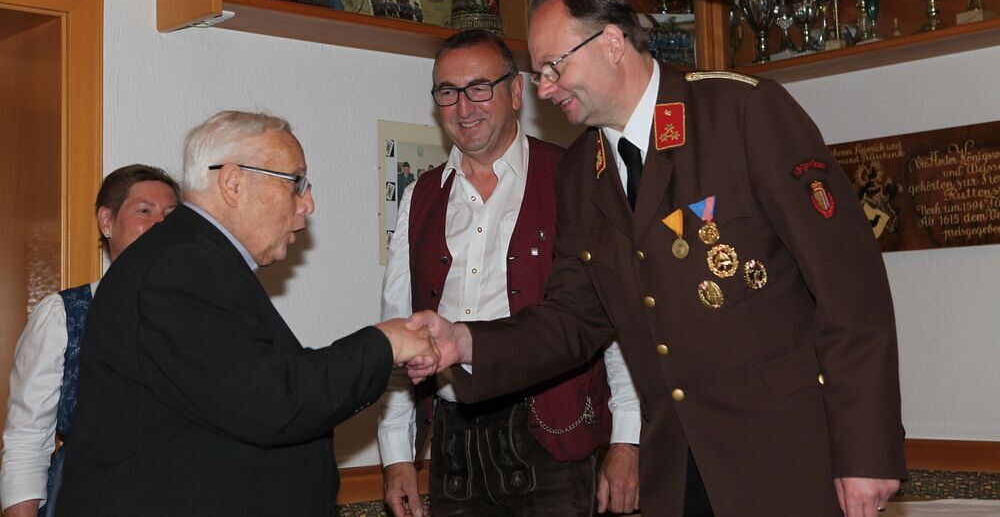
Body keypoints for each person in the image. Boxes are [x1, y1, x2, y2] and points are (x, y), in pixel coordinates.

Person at [409, 0, 908, 517]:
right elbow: (571, 320)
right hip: (676, 472)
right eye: (540, 72)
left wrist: (867, 451)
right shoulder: (580, 173)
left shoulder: (739, 113)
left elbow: (848, 286)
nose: (545, 89)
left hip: (788, 457)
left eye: (555, 67)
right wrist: (466, 342)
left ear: (612, 42)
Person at [55, 111, 438, 516]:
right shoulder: (182, 265)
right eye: (296, 182)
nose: (307, 204)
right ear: (233, 182)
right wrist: (385, 343)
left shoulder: (189, 257)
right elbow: (274, 401)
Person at [380, 30, 640, 517]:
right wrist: (397, 453)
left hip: (554, 436)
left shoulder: (573, 178)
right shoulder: (420, 196)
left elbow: (612, 316)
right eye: (448, 92)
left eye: (479, 87)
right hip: (453, 442)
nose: (464, 107)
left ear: (516, 92)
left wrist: (628, 438)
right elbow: (401, 329)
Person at [1, 165, 181, 517]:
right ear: (107, 221)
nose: (161, 224)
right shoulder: (65, 315)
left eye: (171, 216)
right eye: (145, 211)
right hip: (86, 497)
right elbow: (27, 437)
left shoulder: (203, 315)